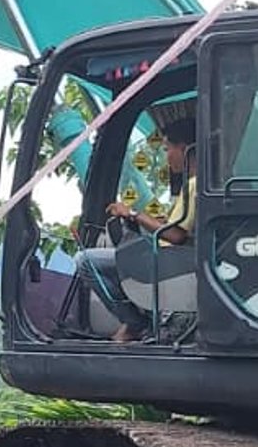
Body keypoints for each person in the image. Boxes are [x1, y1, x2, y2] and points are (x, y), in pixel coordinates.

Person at [75, 112, 197, 342]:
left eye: (167, 149)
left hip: (168, 259)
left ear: (184, 148)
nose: (167, 157)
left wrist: (132, 213)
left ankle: (135, 321)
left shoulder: (194, 185)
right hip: (168, 256)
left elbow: (176, 235)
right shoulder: (193, 185)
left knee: (86, 260)